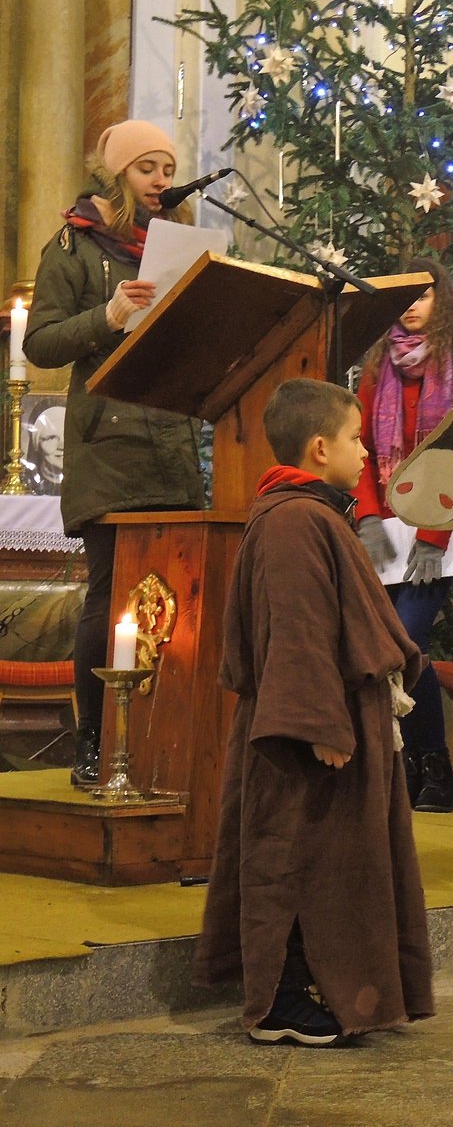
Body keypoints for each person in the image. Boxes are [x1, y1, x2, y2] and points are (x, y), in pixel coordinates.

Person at [192, 378, 432, 1047]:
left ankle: (324, 987)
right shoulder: (294, 519)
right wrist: (318, 723)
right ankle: (282, 1000)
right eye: (357, 439)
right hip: (314, 730)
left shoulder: (313, 513)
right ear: (320, 447)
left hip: (340, 717)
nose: (366, 453)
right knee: (302, 858)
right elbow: (297, 628)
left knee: (334, 861)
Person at [23, 119, 207, 787]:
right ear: (117, 174)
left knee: (183, 601)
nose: (161, 180)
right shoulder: (73, 244)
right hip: (108, 444)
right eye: (147, 169)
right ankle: (95, 744)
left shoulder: (178, 243)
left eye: (168, 169)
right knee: (109, 598)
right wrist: (108, 316)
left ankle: (167, 743)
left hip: (172, 440)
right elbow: (40, 343)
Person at [353, 258, 453, 813]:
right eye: (402, 295)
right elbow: (358, 446)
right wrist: (365, 517)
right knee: (385, 649)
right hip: (383, 528)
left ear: (442, 299)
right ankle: (405, 769)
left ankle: (435, 767)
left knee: (407, 643)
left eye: (423, 294)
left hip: (439, 526)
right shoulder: (377, 361)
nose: (411, 305)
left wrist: (433, 535)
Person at [23, 403, 67, 496]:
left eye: (68, 436)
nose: (62, 446)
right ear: (37, 444)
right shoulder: (25, 486)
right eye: (51, 438)